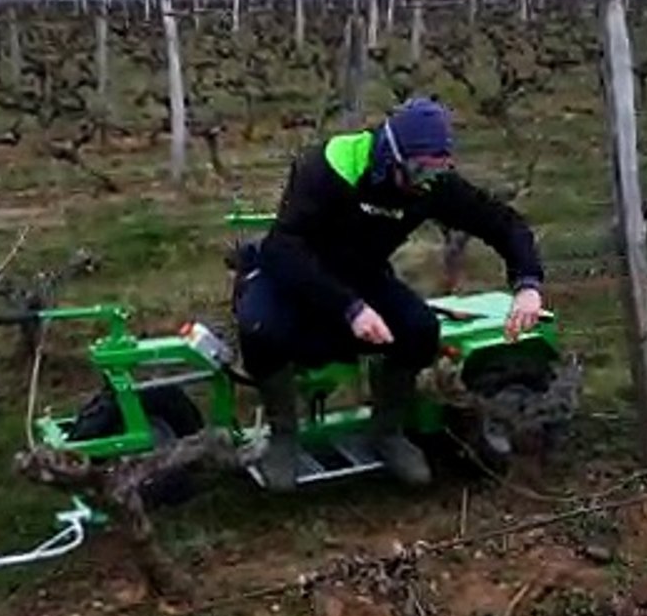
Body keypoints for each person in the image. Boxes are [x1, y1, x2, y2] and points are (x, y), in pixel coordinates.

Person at [232, 97, 546, 492]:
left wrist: (528, 284)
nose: (423, 182)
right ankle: (283, 438)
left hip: (359, 273)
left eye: (434, 172)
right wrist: (350, 309)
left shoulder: (429, 186)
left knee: (418, 329)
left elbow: (503, 223)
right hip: (292, 271)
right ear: (389, 155)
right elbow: (284, 247)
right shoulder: (327, 167)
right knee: (260, 328)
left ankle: (388, 431)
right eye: (416, 170)